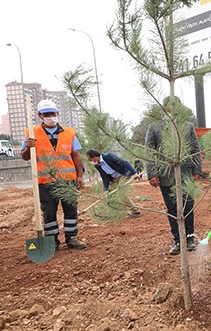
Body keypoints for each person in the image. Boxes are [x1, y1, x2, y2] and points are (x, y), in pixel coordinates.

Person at [21, 100, 87, 250]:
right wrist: (28, 147)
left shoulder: (69, 133)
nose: (50, 117)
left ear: (57, 113)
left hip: (67, 180)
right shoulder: (31, 133)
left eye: (52, 113)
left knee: (71, 209)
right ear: (40, 115)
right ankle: (52, 241)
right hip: (45, 181)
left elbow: (76, 155)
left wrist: (80, 175)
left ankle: (72, 238)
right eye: (46, 114)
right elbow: (25, 157)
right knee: (49, 212)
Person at [145, 97, 202, 255]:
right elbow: (150, 151)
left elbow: (195, 149)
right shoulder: (154, 127)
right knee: (172, 209)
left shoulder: (188, 126)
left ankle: (189, 238)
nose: (173, 111)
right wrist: (152, 173)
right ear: (164, 109)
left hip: (186, 174)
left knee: (188, 207)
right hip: (166, 175)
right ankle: (177, 240)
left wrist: (197, 170)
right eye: (170, 108)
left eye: (176, 107)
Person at [86, 149, 141, 218]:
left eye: (90, 160)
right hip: (114, 179)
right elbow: (104, 177)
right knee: (111, 195)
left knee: (120, 194)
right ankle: (117, 213)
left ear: (94, 157)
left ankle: (135, 211)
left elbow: (124, 163)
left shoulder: (109, 156)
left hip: (123, 175)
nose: (90, 162)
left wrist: (134, 173)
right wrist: (106, 190)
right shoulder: (97, 165)